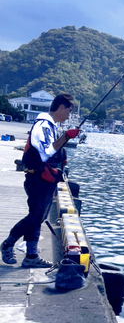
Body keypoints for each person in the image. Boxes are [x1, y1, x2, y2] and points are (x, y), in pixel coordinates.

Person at [1, 93, 80, 268]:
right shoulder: (43, 126)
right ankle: (8, 243)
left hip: (45, 179)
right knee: (35, 216)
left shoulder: (51, 126)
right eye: (68, 111)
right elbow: (46, 152)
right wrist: (66, 136)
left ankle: (31, 256)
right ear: (60, 107)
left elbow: (54, 150)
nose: (68, 115)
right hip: (37, 179)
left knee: (38, 217)